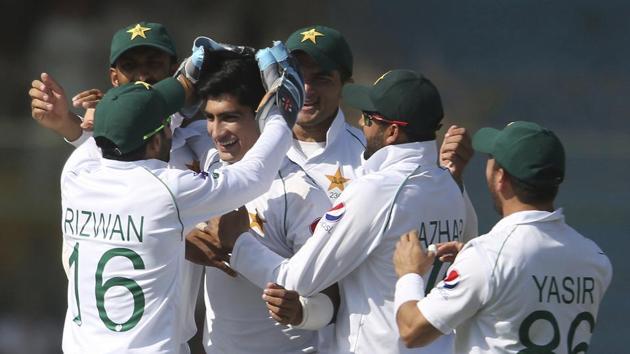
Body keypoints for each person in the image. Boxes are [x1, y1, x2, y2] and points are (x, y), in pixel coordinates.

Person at [207, 69, 476, 353]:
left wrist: (237, 243)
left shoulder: (376, 189)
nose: (361, 122)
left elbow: (298, 280)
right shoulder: (449, 185)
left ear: (393, 132)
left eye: (369, 118)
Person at [59, 43, 303, 353]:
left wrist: (173, 101)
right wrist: (281, 115)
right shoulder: (166, 190)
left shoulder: (77, 173)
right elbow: (253, 176)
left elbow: (113, 137)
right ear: (158, 138)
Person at [393, 121, 613, 353]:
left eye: (491, 157)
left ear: (501, 177)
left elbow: (411, 330)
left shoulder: (487, 257)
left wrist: (409, 274)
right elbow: (529, 281)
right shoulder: (595, 258)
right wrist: (474, 261)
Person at [184, 53, 333, 353]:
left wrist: (302, 312)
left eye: (230, 117)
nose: (216, 132)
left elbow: (331, 299)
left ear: (262, 116)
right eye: (210, 118)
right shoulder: (211, 162)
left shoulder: (301, 193)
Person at [29, 21, 212, 170]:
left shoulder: (207, 123)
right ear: (115, 78)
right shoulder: (112, 131)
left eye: (153, 63)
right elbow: (104, 141)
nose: (143, 76)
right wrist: (63, 121)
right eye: (130, 66)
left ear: (174, 68)